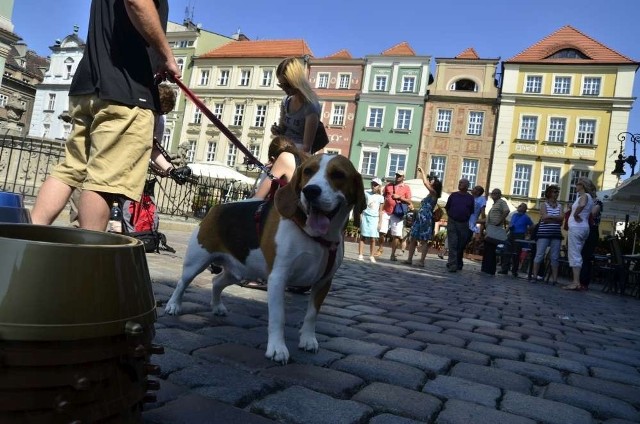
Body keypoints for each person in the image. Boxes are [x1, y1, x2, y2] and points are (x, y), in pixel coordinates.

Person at [31, 0, 180, 231]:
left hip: (87, 86)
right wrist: (166, 56)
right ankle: (89, 256)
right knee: (104, 181)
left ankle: (29, 236)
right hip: (126, 89)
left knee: (70, 169)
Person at [271, 57, 321, 154]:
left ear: (296, 81)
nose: (284, 89)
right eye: (281, 85)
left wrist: (285, 152)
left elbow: (306, 148)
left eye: (287, 85)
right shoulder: (286, 101)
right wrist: (277, 130)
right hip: (283, 153)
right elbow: (283, 130)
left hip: (299, 159)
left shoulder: (311, 107)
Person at [403, 167, 442, 267]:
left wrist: (423, 172)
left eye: (431, 180)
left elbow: (425, 183)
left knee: (424, 240)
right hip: (420, 218)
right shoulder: (430, 194)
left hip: (425, 219)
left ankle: (421, 261)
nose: (430, 181)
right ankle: (409, 259)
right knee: (413, 239)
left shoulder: (434, 193)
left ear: (435, 185)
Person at [564, 177, 595, 291]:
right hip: (583, 228)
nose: (575, 186)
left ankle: (576, 282)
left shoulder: (584, 196)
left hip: (577, 228)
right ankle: (576, 281)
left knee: (574, 254)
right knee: (577, 254)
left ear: (582, 185)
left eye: (577, 184)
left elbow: (582, 205)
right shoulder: (589, 197)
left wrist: (576, 214)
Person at [531, 185, 564, 284]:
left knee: (555, 257)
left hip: (556, 234)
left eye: (557, 192)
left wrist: (550, 217)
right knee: (539, 255)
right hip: (543, 234)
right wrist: (555, 218)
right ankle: (535, 276)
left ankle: (554, 280)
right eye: (554, 192)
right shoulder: (543, 205)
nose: (556, 194)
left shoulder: (560, 206)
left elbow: (561, 220)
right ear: (549, 193)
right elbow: (544, 218)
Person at [380, 170, 412, 261]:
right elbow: (383, 197)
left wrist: (400, 197)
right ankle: (381, 247)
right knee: (382, 232)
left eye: (400, 176)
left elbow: (409, 201)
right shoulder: (388, 186)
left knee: (396, 235)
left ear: (403, 177)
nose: (398, 177)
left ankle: (392, 254)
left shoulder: (406, 188)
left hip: (397, 213)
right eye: (397, 175)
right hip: (386, 211)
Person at [444, 178, 474, 272]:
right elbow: (447, 207)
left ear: (467, 186)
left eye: (462, 183)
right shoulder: (453, 195)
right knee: (453, 243)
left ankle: (455, 262)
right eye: (459, 182)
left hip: (463, 223)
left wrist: (464, 216)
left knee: (460, 244)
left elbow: (471, 211)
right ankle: (453, 264)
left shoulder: (470, 198)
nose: (459, 184)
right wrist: (451, 216)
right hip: (452, 221)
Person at [481, 189, 510, 276]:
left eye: (495, 193)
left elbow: (507, 210)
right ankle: (486, 269)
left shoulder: (501, 202)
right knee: (488, 249)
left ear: (499, 195)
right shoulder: (494, 205)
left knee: (490, 249)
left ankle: (489, 270)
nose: (493, 195)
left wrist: (500, 221)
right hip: (490, 229)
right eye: (492, 193)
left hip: (495, 229)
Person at [499, 203, 533, 276]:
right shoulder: (514, 215)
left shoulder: (526, 217)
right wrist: (505, 233)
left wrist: (527, 230)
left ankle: (514, 271)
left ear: (525, 209)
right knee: (507, 251)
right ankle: (504, 269)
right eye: (519, 205)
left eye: (521, 206)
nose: (519, 206)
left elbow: (532, 226)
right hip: (511, 234)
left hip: (519, 236)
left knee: (516, 253)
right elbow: (510, 224)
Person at [579, 190, 603, 290]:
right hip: (582, 229)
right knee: (581, 256)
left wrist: (581, 211)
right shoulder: (582, 201)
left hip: (591, 230)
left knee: (586, 257)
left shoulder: (597, 202)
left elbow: (593, 213)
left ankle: (584, 282)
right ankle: (579, 280)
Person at [358, 178, 384, 263]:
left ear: (379, 186)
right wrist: (360, 216)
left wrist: (380, 222)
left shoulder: (381, 197)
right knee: (363, 236)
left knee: (373, 238)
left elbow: (380, 211)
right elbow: (361, 205)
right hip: (366, 216)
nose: (373, 186)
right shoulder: (366, 193)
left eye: (375, 185)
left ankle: (371, 255)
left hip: (374, 218)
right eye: (372, 184)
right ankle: (360, 254)